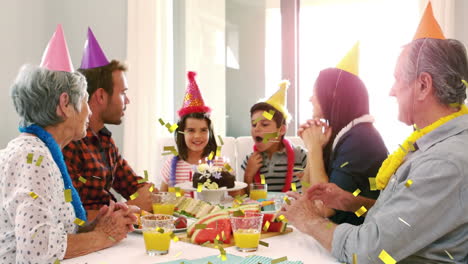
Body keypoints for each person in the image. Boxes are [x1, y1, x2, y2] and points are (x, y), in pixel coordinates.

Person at [281, 4, 468, 263]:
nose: (391, 91)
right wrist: (351, 201)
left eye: (397, 79)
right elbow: (402, 220)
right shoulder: (431, 148)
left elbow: (368, 252)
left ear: (423, 85)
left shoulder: (443, 162)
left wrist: (307, 220)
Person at [0, 25, 135, 263]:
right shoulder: (33, 159)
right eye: (84, 100)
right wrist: (105, 235)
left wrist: (95, 227)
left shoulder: (41, 153)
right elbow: (38, 253)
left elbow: (54, 233)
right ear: (65, 103)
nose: (89, 110)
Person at [63, 28, 157, 219]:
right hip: (91, 239)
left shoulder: (105, 141)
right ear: (100, 96)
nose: (127, 100)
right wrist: (129, 206)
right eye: (123, 93)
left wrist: (148, 192)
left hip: (113, 233)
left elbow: (135, 185)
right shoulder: (69, 142)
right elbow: (71, 218)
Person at [298, 43, 387, 225]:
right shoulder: (345, 134)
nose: (310, 98)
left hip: (357, 240)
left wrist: (314, 148)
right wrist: (313, 145)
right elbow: (306, 192)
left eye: (315, 92)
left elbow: (325, 208)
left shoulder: (360, 139)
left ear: (331, 97)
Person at [160, 71, 224, 192]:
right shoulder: (172, 165)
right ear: (181, 132)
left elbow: (237, 197)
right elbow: (161, 199)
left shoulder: (218, 164)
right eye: (191, 130)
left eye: (203, 130)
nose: (197, 136)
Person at [242, 81, 307, 192]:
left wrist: (306, 179)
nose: (256, 128)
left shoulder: (300, 155)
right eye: (254, 124)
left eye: (264, 124)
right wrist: (248, 174)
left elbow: (312, 188)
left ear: (281, 130)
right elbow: (245, 197)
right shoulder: (250, 160)